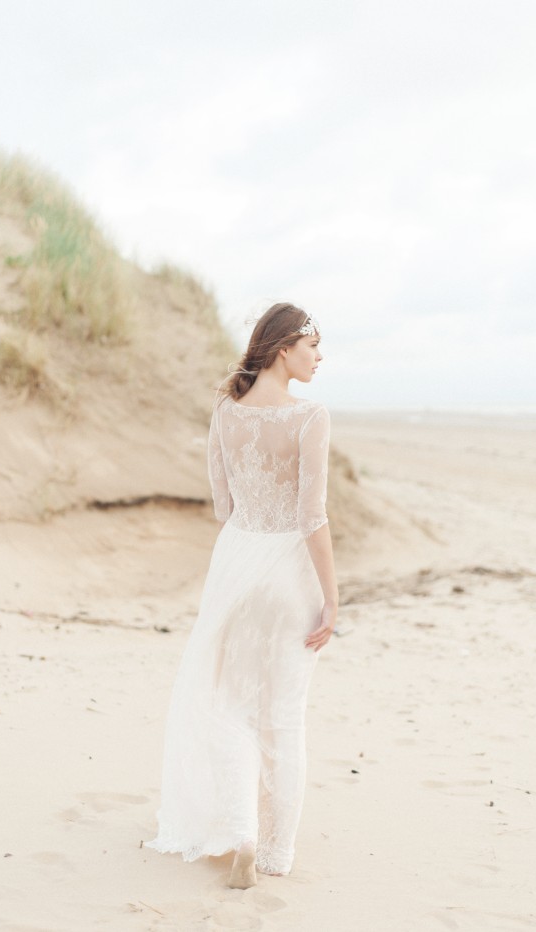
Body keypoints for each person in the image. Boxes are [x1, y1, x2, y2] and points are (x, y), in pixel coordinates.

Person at [145, 302, 339, 888]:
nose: (319, 357)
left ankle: (242, 835)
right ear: (284, 348)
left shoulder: (226, 411)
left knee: (230, 705)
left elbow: (223, 506)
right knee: (284, 715)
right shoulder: (311, 417)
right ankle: (277, 853)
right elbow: (312, 516)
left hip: (236, 564)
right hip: (288, 570)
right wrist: (332, 597)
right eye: (313, 346)